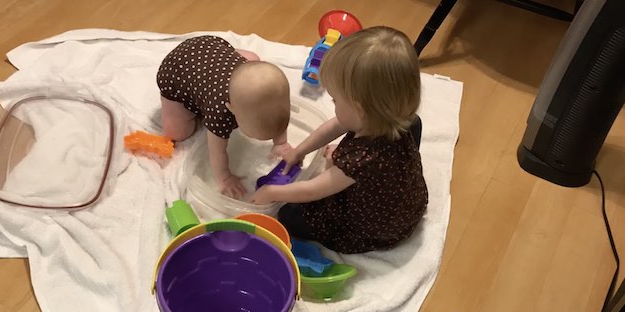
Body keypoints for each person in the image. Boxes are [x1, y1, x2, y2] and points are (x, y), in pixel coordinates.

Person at [250, 27, 428, 254]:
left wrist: (272, 193)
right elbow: (337, 124)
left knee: (289, 214)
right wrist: (300, 151)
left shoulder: (359, 160)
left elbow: (312, 191)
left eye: (334, 100)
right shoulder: (393, 117)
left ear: (359, 109)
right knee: (415, 124)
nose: (333, 105)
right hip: (408, 205)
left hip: (377, 230)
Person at [157, 35, 291, 199]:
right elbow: (217, 153)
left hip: (211, 47)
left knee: (254, 64)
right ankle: (177, 104)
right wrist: (225, 178)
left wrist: (281, 143)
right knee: (177, 134)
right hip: (176, 70)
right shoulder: (219, 114)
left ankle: (233, 57)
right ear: (231, 110)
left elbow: (277, 118)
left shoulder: (273, 97)